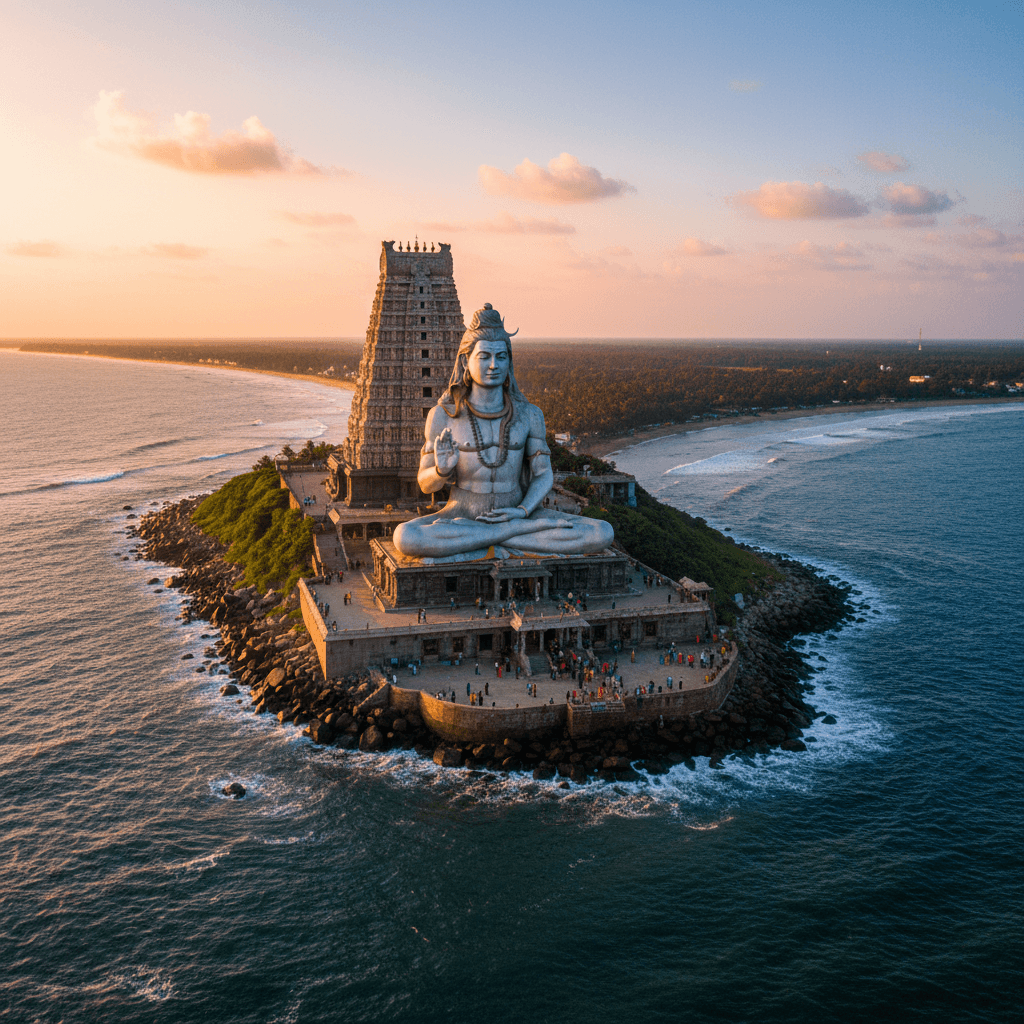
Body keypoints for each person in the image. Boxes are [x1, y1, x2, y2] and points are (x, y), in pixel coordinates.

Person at [392, 305, 615, 560]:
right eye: (484, 356)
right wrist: (441, 470)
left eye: (501, 356)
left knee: (602, 531)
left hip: (516, 511)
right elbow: (424, 483)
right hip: (462, 514)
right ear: (466, 360)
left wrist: (521, 512)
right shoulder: (444, 415)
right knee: (405, 536)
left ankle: (492, 535)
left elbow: (543, 475)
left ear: (509, 361)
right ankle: (518, 533)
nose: (494, 365)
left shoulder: (529, 414)